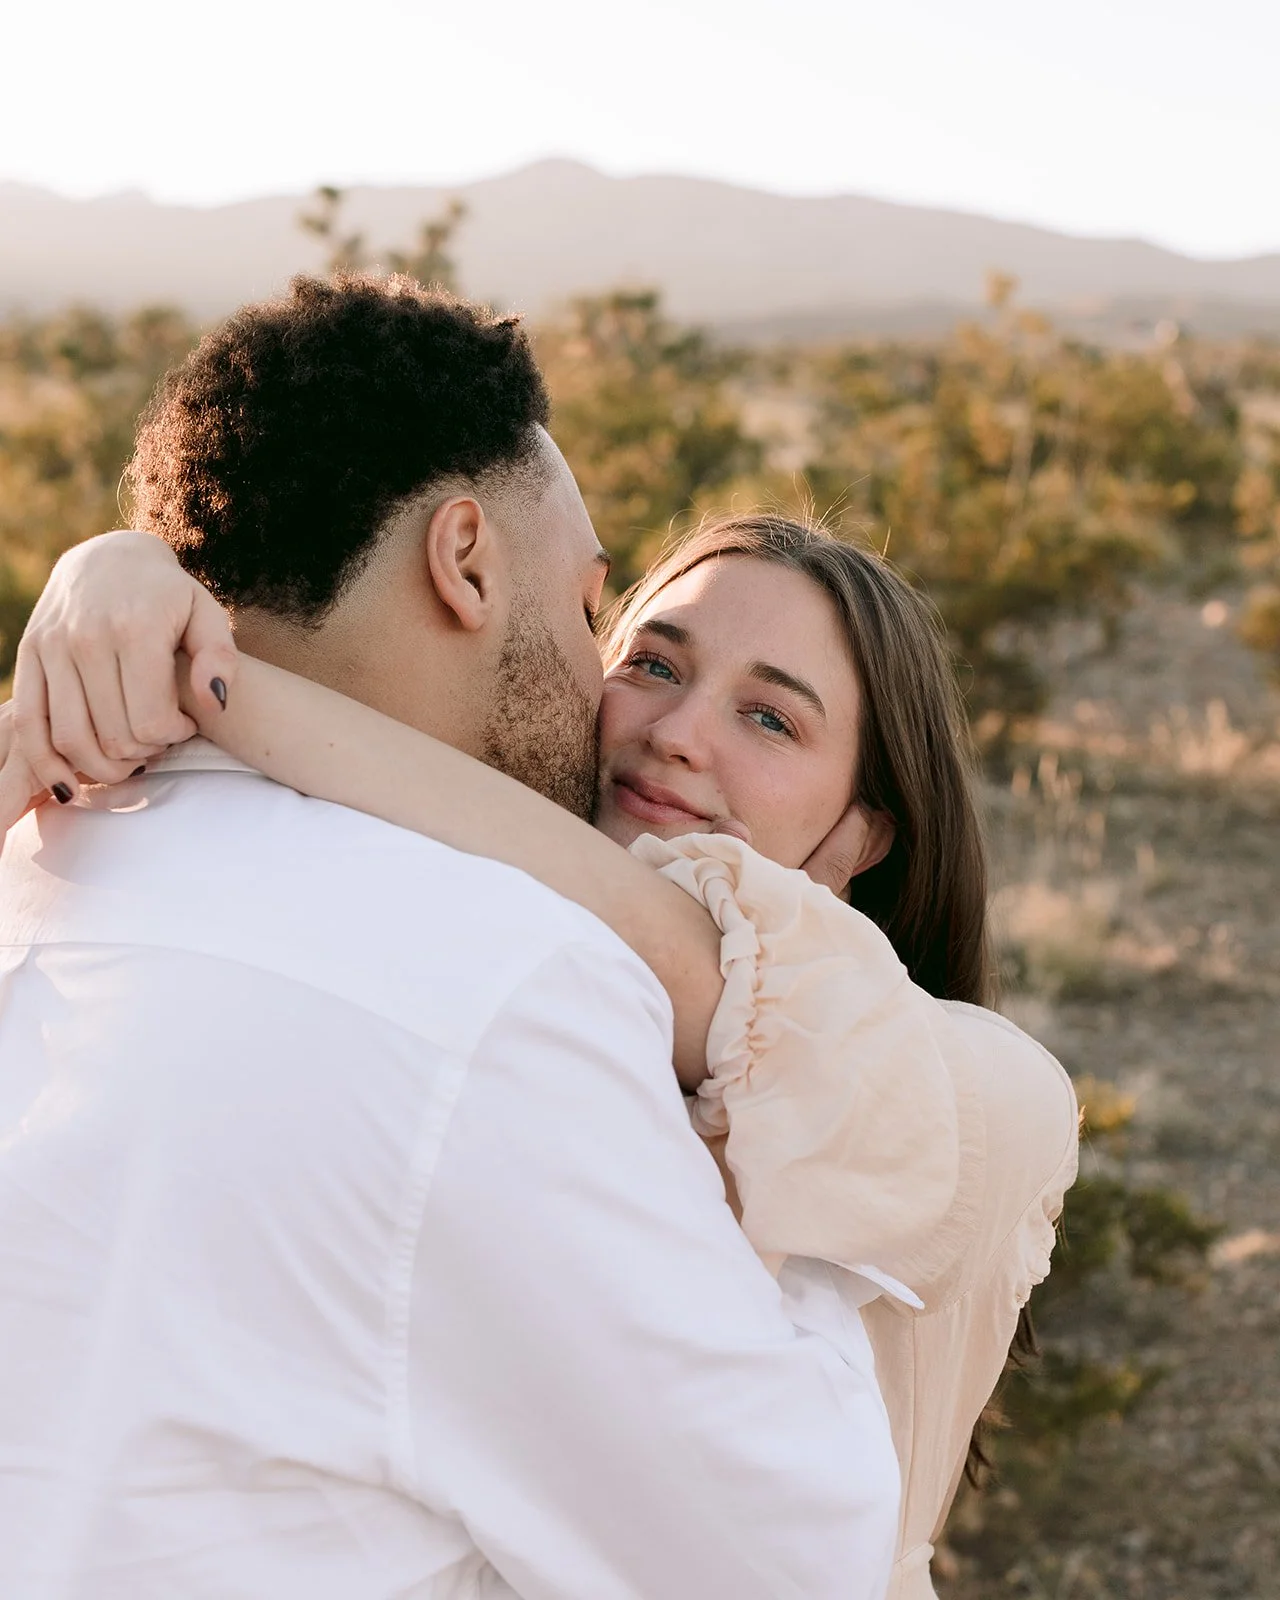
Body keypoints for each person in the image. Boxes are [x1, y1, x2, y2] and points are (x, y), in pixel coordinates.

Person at [0, 275, 914, 1600]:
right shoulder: (501, 992)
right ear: (467, 559)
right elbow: (794, 1561)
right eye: (600, 611)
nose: (622, 699)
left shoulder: (41, 848)